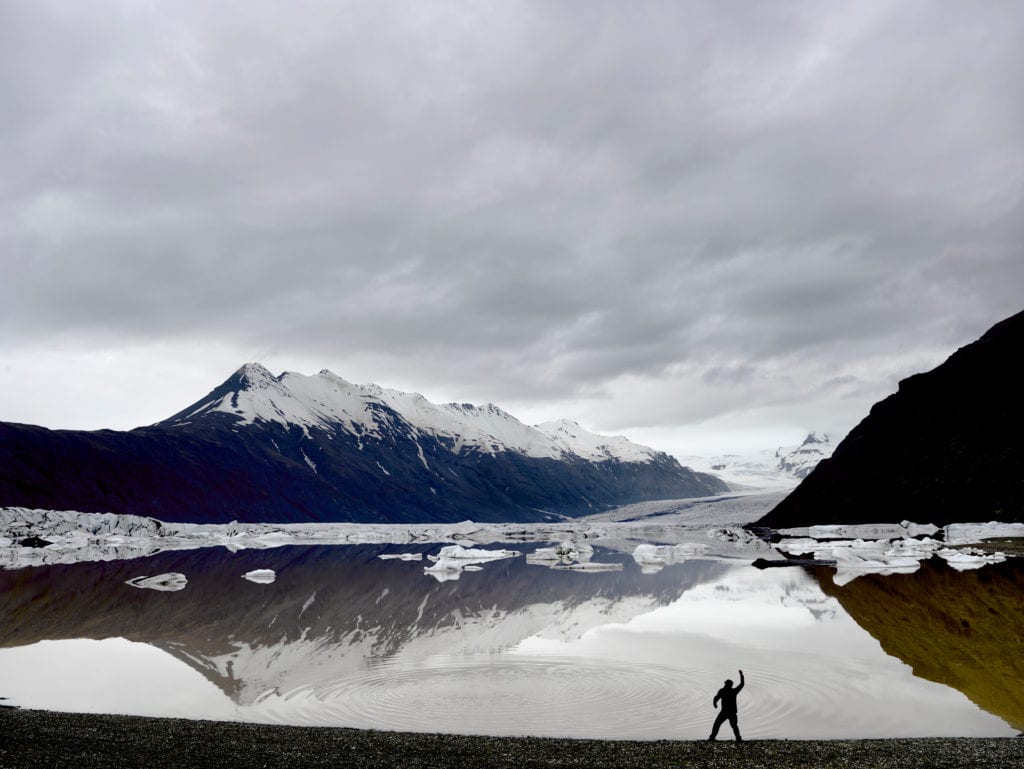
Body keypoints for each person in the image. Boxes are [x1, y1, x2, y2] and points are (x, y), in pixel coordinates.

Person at [707, 669, 744, 742]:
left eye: (726, 684)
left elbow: (716, 697)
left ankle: (712, 737)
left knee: (722, 724)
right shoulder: (730, 691)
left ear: (728, 685)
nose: (724, 685)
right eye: (725, 684)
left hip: (727, 712)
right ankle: (738, 738)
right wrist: (715, 703)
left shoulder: (728, 691)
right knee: (724, 724)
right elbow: (716, 697)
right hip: (728, 712)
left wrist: (715, 703)